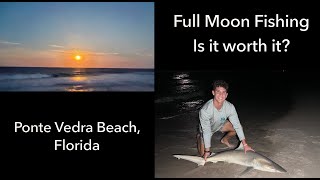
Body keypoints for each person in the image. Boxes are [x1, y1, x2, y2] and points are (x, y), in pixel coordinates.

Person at [197, 80, 254, 161]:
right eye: (218, 92)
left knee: (237, 127)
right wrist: (207, 151)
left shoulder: (230, 107)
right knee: (203, 156)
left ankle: (224, 139)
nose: (221, 95)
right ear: (213, 92)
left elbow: (237, 125)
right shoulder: (205, 110)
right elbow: (206, 131)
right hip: (207, 130)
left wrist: (245, 144)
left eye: (224, 92)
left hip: (220, 125)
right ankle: (199, 137)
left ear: (226, 95)